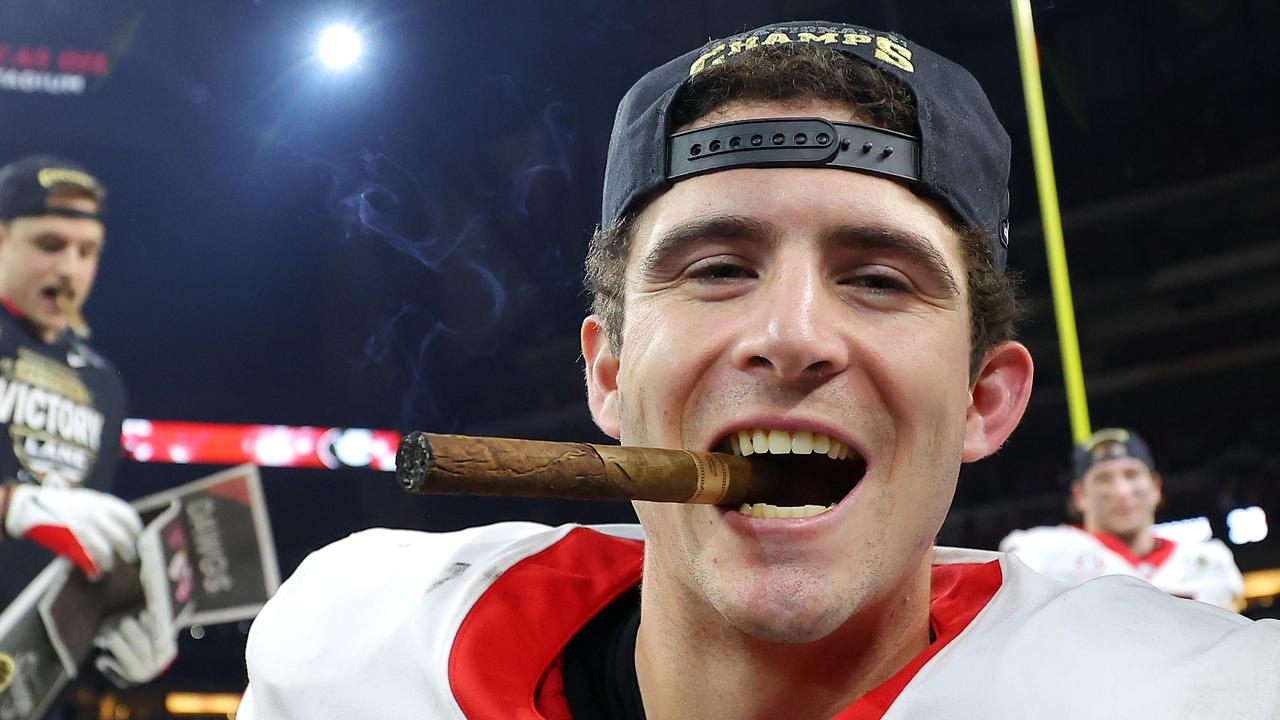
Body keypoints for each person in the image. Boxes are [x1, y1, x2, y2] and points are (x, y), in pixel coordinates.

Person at [239, 21, 1280, 719]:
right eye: (717, 266)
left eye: (876, 278)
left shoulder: (1190, 696)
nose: (790, 335)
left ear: (983, 400)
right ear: (604, 374)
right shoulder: (355, 653)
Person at [0, 155, 175, 689]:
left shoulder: (103, 384)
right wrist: (13, 505)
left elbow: (84, 552)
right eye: (49, 245)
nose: (69, 269)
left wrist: (119, 614)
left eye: (87, 251)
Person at [999, 427, 1245, 610]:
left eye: (1132, 475)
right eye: (1103, 479)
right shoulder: (1043, 552)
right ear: (1079, 495)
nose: (1122, 491)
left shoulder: (1209, 559)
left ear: (1155, 486)